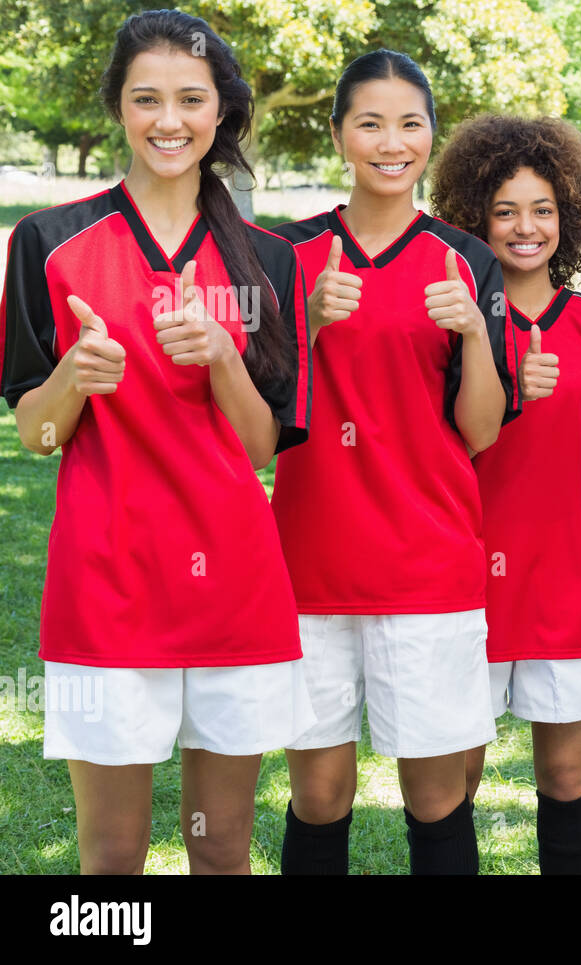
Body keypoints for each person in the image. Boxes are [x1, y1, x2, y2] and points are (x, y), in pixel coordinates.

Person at [0, 9, 313, 874]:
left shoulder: (268, 262)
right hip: (107, 585)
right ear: (118, 109)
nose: (168, 120)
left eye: (190, 99)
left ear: (221, 112)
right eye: (146, 99)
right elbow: (38, 432)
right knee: (111, 855)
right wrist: (74, 375)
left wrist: (221, 358)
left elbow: (260, 447)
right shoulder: (49, 244)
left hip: (235, 588)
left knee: (223, 850)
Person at [270, 50, 518, 875]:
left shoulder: (466, 260)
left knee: (438, 800)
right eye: (370, 122)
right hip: (310, 565)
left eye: (410, 123)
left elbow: (480, 430)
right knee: (319, 795)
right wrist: (303, 326)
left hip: (429, 566)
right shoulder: (286, 254)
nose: (390, 141)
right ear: (340, 133)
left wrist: (476, 332)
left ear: (431, 138)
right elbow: (257, 420)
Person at [431, 114, 581, 874]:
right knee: (451, 783)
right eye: (505, 210)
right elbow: (446, 444)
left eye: (542, 209)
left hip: (570, 579)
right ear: (472, 218)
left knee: (565, 778)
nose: (525, 228)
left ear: (569, 216)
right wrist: (504, 387)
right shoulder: (453, 321)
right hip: (465, 579)